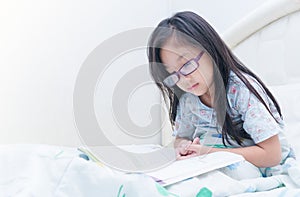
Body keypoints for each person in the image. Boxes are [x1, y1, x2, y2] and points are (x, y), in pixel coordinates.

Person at [147, 11, 295, 176]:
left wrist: (209, 153)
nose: (184, 79)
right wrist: (184, 146)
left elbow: (273, 155)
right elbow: (181, 138)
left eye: (187, 64)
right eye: (173, 74)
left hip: (257, 164)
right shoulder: (189, 101)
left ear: (209, 49)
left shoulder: (240, 91)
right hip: (209, 161)